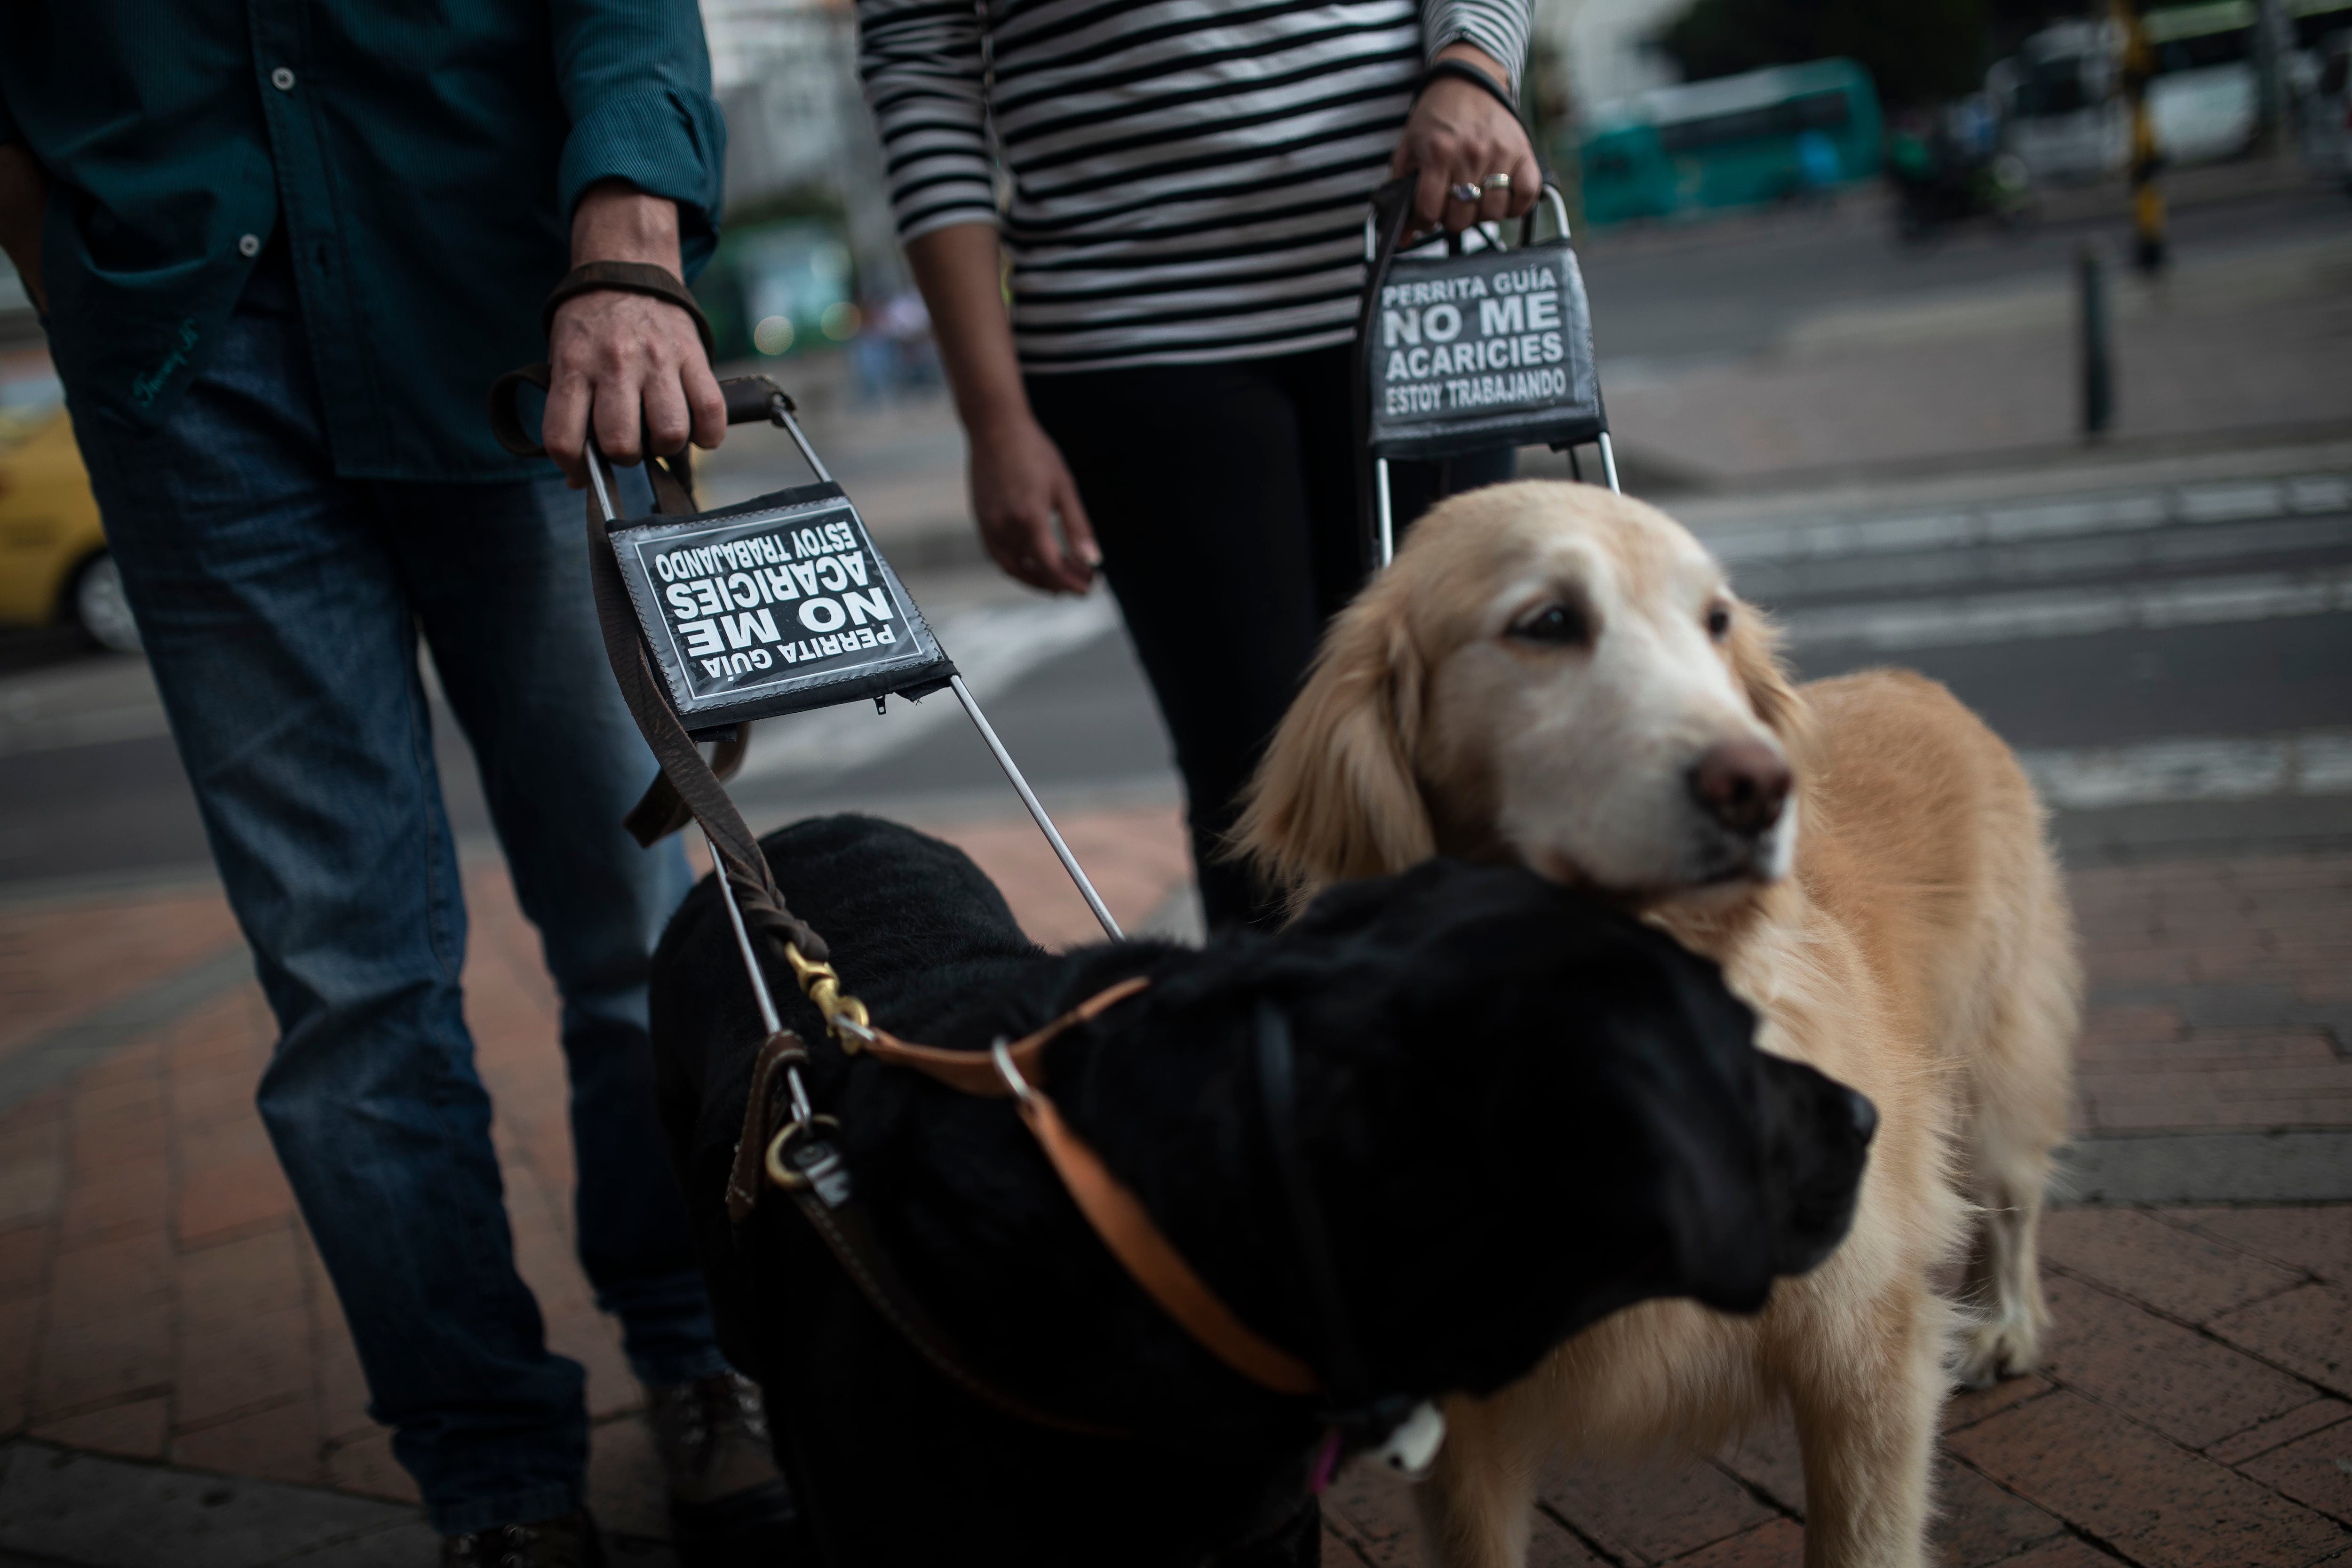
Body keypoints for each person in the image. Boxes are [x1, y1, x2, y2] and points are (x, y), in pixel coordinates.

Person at [0, 6, 792, 1563]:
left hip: (513, 310)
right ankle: (492, 1472)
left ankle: (706, 1357)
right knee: (349, 982)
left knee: (641, 927)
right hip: (181, 352)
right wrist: (74, 270)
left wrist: (629, 239)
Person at [858, 0, 1540, 931]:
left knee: (1469, 748)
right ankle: (1283, 1071)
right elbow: (921, 70)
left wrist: (1472, 63)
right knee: (1262, 797)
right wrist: (993, 417)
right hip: (1132, 333)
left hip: (1423, 273)